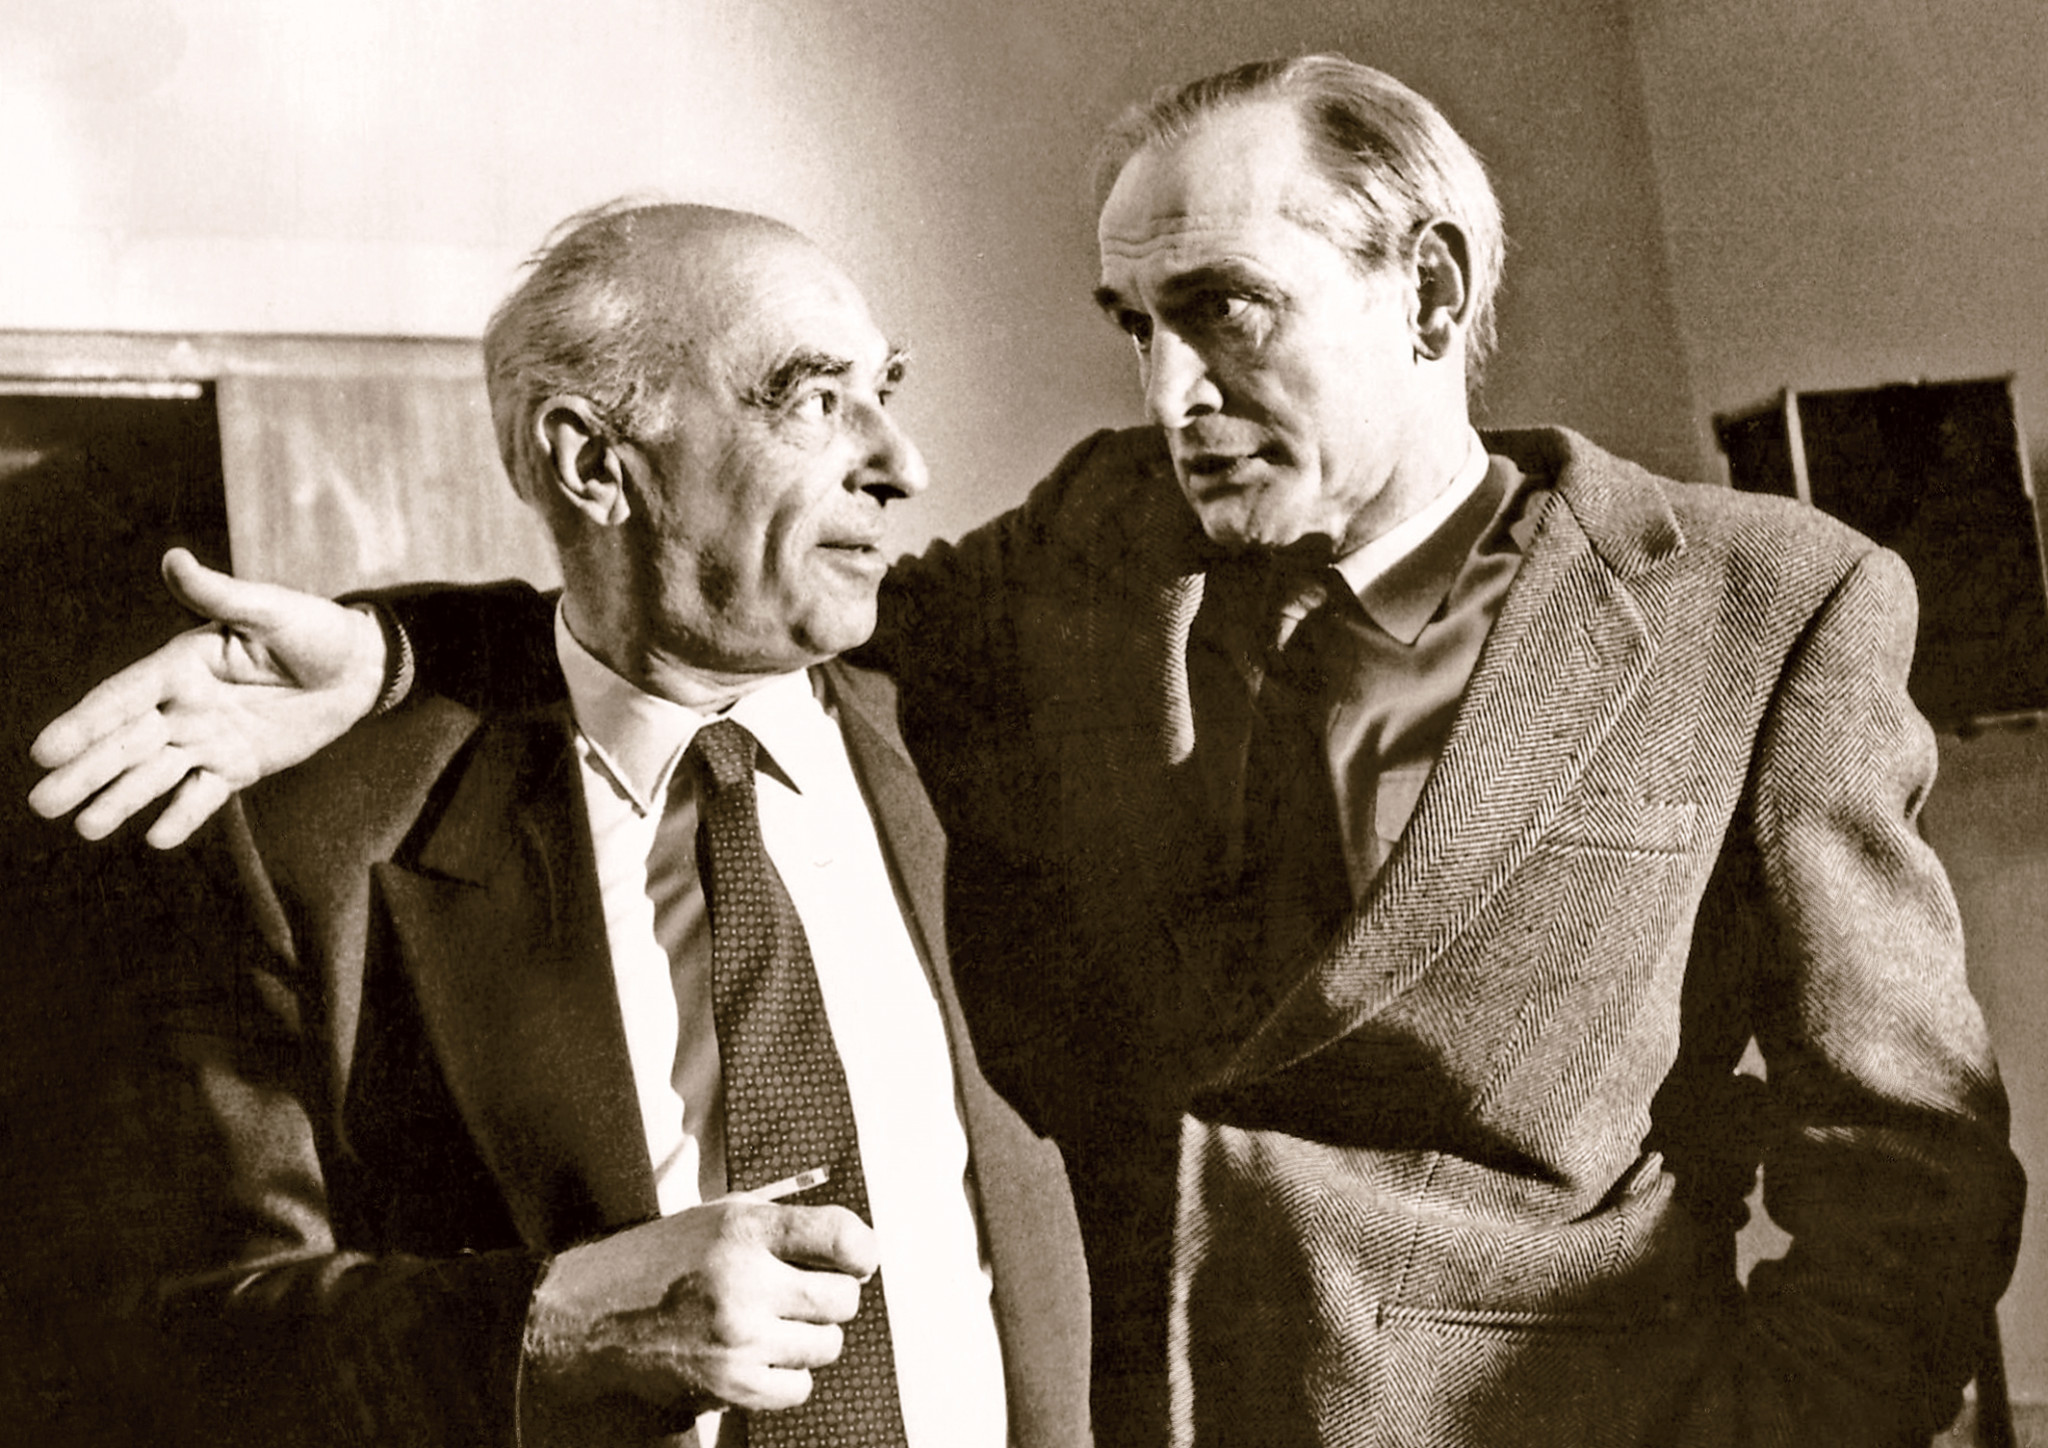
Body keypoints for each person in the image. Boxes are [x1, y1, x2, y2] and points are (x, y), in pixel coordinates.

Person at [35, 55, 2022, 1448]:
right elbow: (728, 613)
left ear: (1424, 290)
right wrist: (400, 649)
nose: (1166, 391)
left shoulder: (1764, 606)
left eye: (1222, 314)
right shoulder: (1084, 554)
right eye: (1129, 324)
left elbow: (1907, 1169)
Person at [30, 202, 1089, 1448]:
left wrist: (395, 646)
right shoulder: (309, 849)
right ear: (593, 464)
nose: (900, 462)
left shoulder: (985, 726)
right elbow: (182, 1340)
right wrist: (553, 1324)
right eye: (813, 399)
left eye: (883, 390)